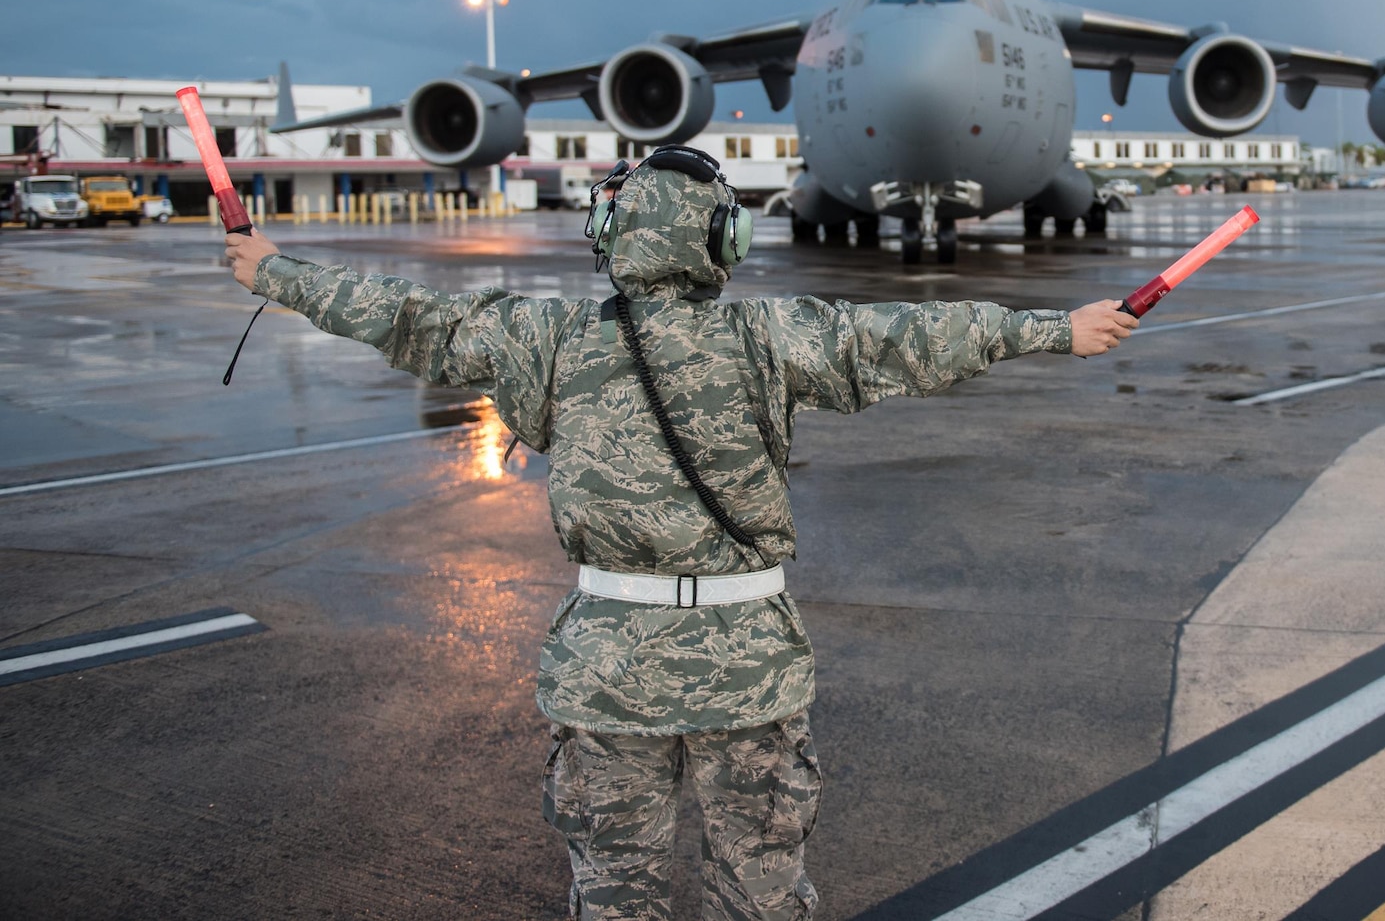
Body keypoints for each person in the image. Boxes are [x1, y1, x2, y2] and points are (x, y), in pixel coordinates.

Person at [222, 146, 1137, 921]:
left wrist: (273, 271)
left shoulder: (544, 337)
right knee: (762, 893)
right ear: (719, 241)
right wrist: (1055, 328)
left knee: (615, 895)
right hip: (747, 669)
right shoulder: (768, 337)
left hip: (606, 671)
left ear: (611, 235)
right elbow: (904, 337)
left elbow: (400, 312)